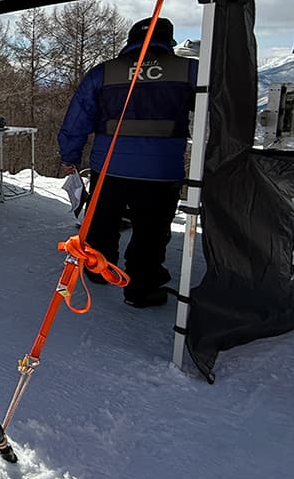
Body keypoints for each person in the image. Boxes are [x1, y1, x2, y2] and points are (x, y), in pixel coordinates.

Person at [57, 16, 198, 308]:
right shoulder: (190, 71)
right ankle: (141, 289)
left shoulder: (104, 72)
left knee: (102, 221)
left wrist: (70, 155)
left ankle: (99, 270)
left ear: (131, 41)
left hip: (109, 167)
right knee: (151, 231)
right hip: (161, 171)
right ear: (168, 41)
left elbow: (77, 118)